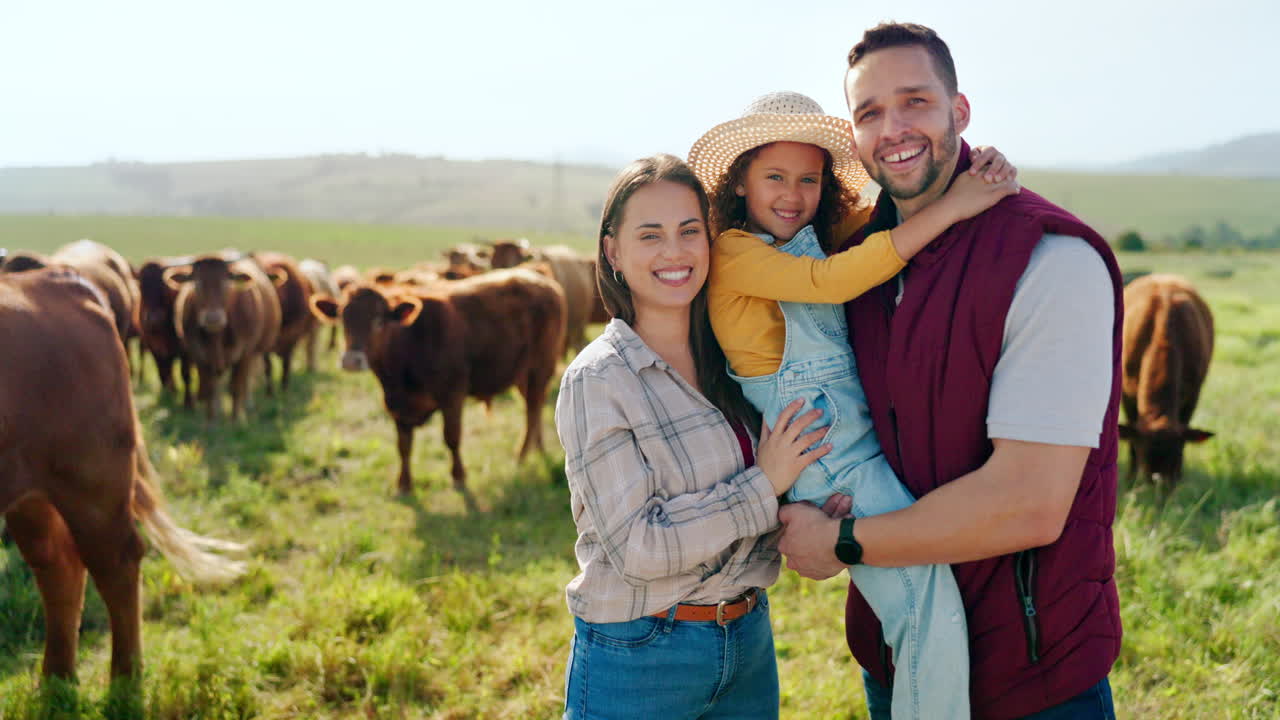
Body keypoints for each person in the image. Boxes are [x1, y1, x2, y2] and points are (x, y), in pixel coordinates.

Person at [777, 22, 1123, 720]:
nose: (894, 128)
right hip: (897, 654)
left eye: (916, 102)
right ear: (855, 136)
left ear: (959, 113)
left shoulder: (1050, 260)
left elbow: (1028, 502)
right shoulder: (856, 265)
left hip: (1030, 672)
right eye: (870, 113)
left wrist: (841, 541)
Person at [687, 90, 1019, 720]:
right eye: (775, 178)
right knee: (929, 610)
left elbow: (891, 212)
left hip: (854, 444)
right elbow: (834, 281)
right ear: (740, 184)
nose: (793, 195)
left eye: (809, 179)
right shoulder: (734, 252)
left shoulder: (811, 233)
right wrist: (956, 206)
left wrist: (971, 172)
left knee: (924, 605)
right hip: (825, 454)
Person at [555, 153, 834, 719]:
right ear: (612, 250)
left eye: (689, 232)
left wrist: (821, 516)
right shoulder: (599, 378)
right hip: (640, 656)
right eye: (650, 235)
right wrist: (765, 486)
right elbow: (640, 547)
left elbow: (778, 479)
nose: (675, 252)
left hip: (748, 642)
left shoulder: (730, 355)